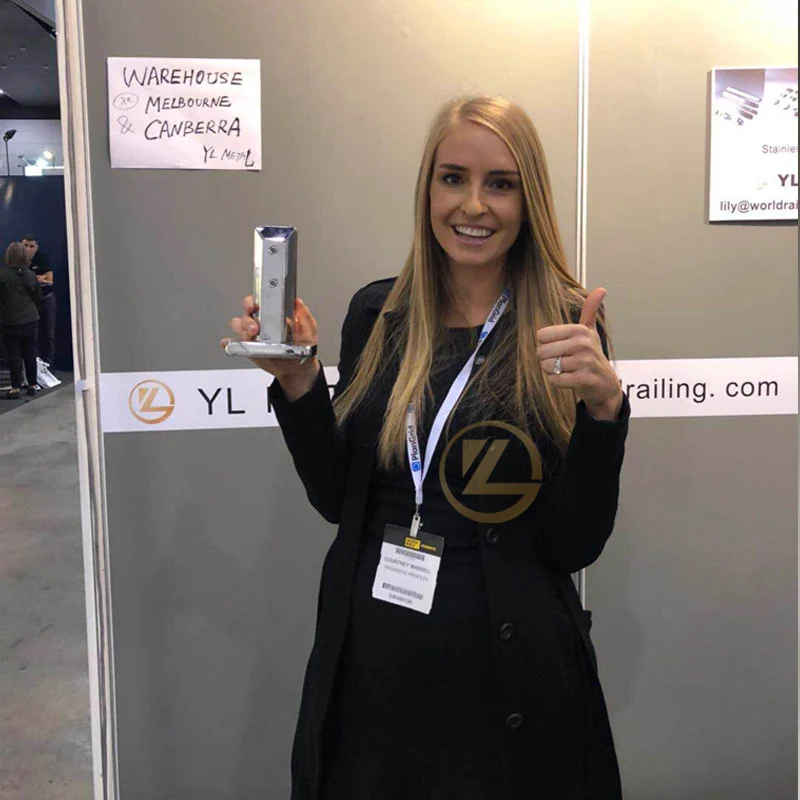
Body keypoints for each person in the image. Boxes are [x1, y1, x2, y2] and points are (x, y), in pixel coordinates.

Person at [225, 96, 629, 799]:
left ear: (528, 200)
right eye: (453, 178)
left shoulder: (563, 323)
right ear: (428, 189)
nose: (473, 205)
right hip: (377, 674)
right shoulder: (379, 314)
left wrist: (604, 412)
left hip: (513, 682)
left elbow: (575, 544)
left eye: (500, 184)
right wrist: (297, 383)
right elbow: (338, 498)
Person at [1, 241, 41, 398]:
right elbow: (38, 297)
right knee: (30, 352)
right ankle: (32, 385)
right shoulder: (31, 275)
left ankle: (15, 387)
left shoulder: (2, 276)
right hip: (31, 319)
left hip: (10, 320)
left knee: (14, 354)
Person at [22, 235, 56, 367]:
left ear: (36, 247)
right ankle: (33, 364)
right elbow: (17, 280)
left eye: (31, 246)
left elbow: (49, 280)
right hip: (29, 301)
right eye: (25, 246)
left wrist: (30, 279)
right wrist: (38, 278)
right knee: (31, 334)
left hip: (46, 299)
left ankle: (49, 364)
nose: (28, 249)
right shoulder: (17, 260)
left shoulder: (42, 259)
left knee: (49, 333)